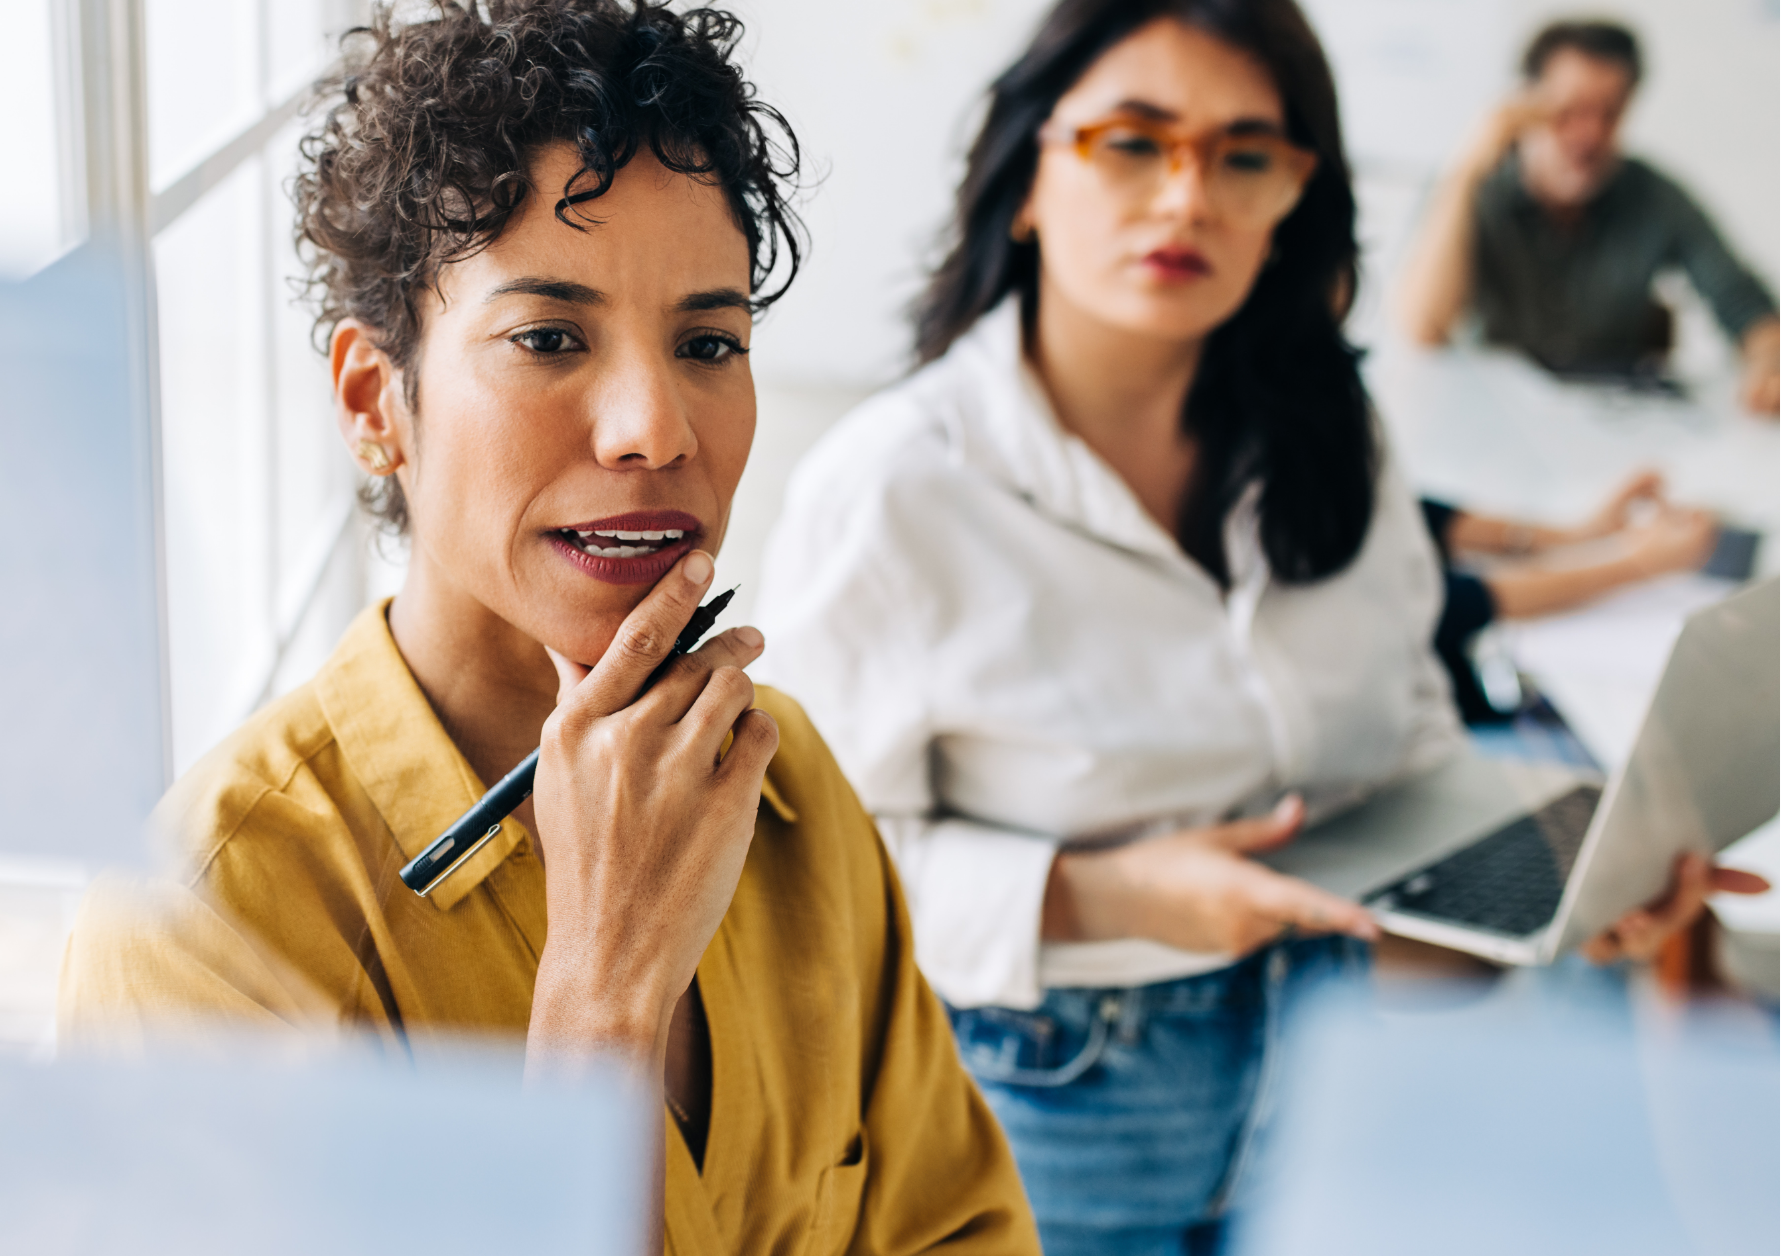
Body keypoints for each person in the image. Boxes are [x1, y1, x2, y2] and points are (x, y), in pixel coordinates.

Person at [754, 1, 1759, 1251]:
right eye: (1133, 141)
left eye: (1243, 155)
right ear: (1027, 181)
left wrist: (1564, 896)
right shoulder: (894, 487)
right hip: (1041, 1092)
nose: (1188, 199)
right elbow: (796, 881)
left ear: (1294, 197)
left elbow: (1405, 755)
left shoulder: (1336, 438)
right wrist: (1100, 892)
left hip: (1324, 1051)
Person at [57, 4, 1038, 1253]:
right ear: (377, 403)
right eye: (549, 337)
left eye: (708, 342)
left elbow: (965, 1226)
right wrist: (603, 1003)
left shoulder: (783, 784)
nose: (655, 428)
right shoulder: (208, 926)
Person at [1394, 19, 1781, 413]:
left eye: (1609, 114)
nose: (1589, 135)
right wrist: (1467, 170)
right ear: (1525, 105)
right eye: (1569, 110)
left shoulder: (1653, 195)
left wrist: (1768, 363)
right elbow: (1423, 329)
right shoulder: (1473, 186)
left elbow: (1746, 304)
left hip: (1610, 422)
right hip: (1494, 421)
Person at [1422, 470, 1719, 724]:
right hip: (1455, 695)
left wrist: (1575, 535)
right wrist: (1641, 565)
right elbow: (1451, 604)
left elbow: (1412, 514)